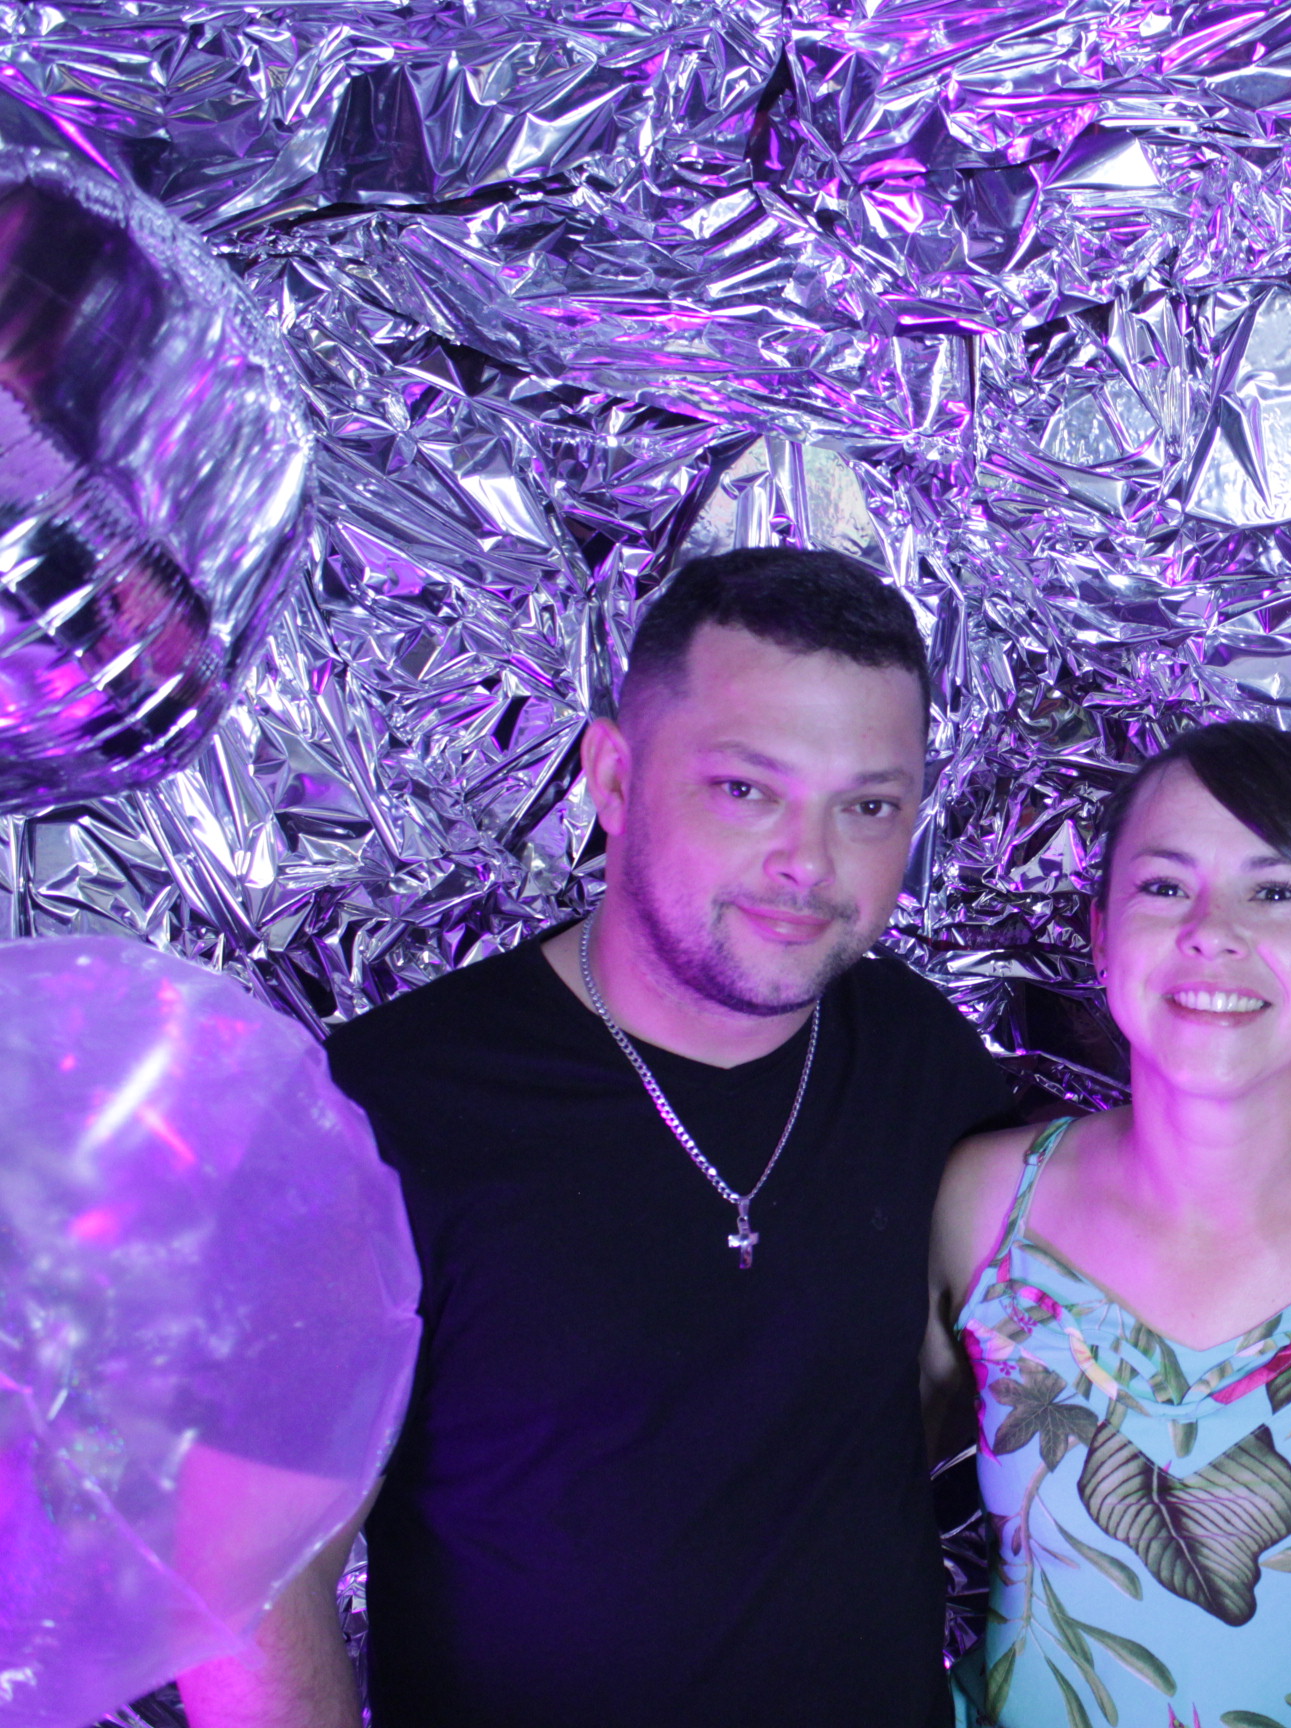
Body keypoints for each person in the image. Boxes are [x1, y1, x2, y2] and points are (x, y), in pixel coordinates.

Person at [179, 547, 1010, 1728]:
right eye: (746, 789)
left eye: (867, 806)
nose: (809, 863)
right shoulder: (381, 1112)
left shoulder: (922, 1059)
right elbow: (247, 1572)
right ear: (614, 779)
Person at [926, 723, 1291, 1728]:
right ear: (1101, 934)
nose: (1213, 931)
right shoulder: (986, 1201)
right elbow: (839, 1510)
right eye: (1166, 886)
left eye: (1276, 892)